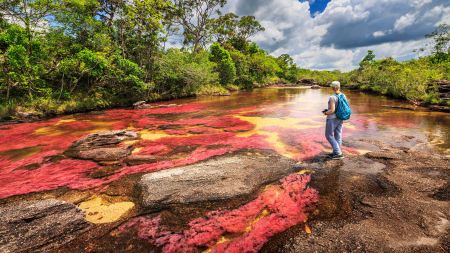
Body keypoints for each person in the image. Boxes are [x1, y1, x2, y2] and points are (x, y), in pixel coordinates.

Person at [323, 81, 345, 160]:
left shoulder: (332, 97)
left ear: (333, 87)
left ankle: (338, 153)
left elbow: (332, 110)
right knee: (338, 135)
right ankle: (337, 152)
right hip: (341, 117)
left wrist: (326, 113)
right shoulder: (343, 95)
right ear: (339, 87)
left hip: (332, 118)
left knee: (328, 135)